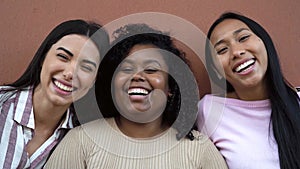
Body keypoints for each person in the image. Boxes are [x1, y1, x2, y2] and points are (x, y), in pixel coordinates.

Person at [44, 23, 228, 169]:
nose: (138, 76)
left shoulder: (199, 149)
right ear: (112, 85)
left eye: (151, 69)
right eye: (127, 69)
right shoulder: (81, 141)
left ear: (170, 87)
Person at [0, 19, 109, 168]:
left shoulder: (84, 138)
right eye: (63, 57)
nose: (70, 73)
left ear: (94, 80)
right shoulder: (2, 105)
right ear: (43, 58)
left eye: (86, 67)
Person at [197, 12, 300, 169]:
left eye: (243, 38)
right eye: (222, 50)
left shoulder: (297, 101)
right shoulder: (209, 110)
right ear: (216, 70)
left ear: (264, 43)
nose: (237, 52)